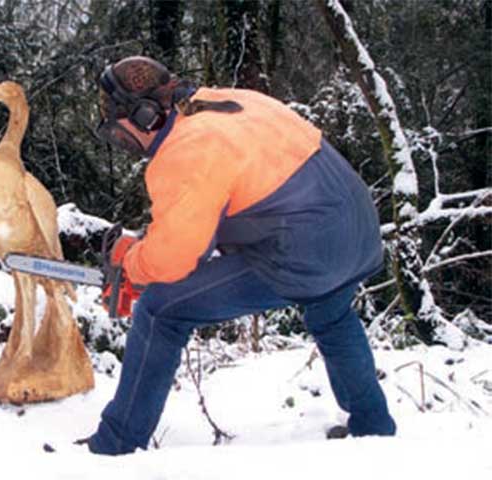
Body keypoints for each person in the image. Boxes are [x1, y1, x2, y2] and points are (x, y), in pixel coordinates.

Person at [86, 56, 396, 455]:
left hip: (308, 250)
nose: (125, 144)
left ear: (144, 116)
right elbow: (227, 198)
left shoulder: (186, 149)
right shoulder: (225, 102)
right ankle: (374, 430)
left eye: (120, 133)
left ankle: (116, 445)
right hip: (358, 227)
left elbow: (173, 263)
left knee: (162, 311)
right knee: (331, 311)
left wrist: (131, 260)